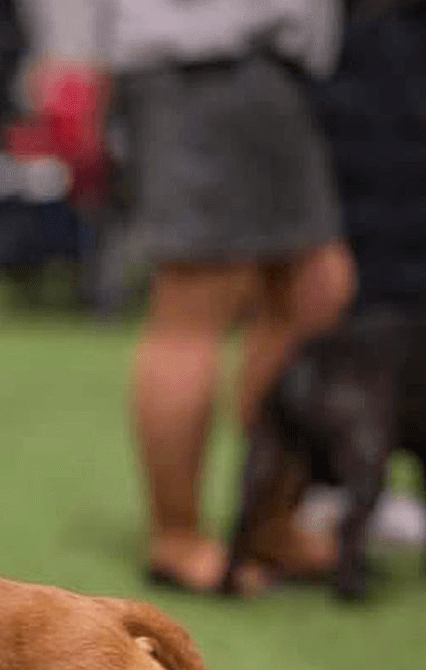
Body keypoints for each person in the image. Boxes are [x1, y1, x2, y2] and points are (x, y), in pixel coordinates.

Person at [21, 0, 355, 592]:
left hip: (271, 64)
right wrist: (68, 58)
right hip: (194, 64)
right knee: (195, 300)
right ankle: (176, 537)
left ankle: (271, 516)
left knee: (314, 288)